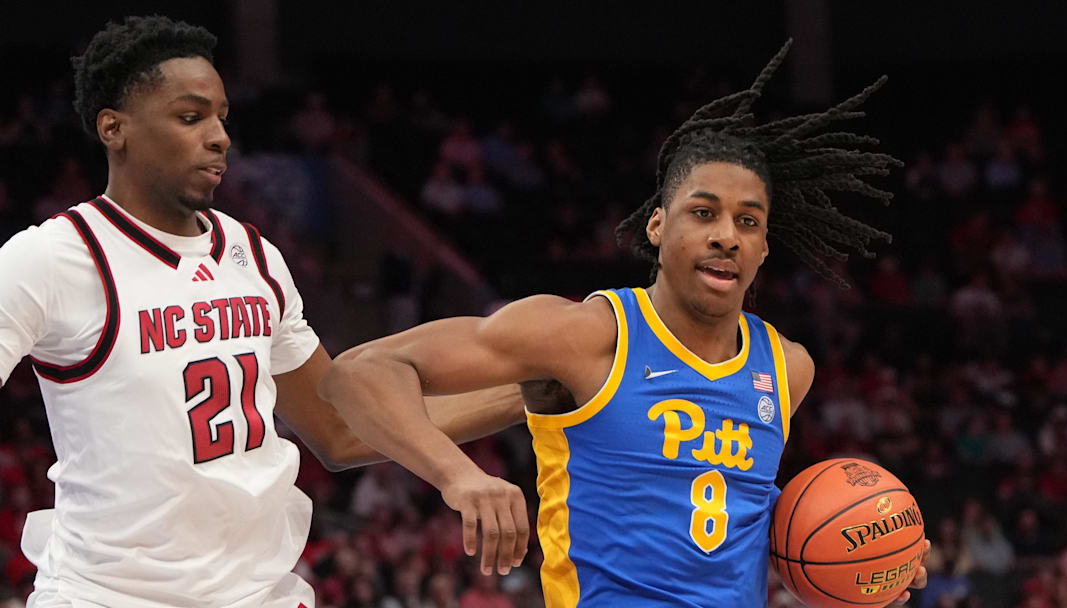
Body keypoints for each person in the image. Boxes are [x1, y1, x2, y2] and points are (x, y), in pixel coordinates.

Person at [320, 42, 929, 607]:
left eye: (748, 221)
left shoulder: (787, 367)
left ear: (765, 246)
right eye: (703, 212)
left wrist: (869, 560)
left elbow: (727, 524)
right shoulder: (586, 336)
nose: (726, 235)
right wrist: (459, 476)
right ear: (657, 226)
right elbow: (359, 372)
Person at [0, 16, 528, 607]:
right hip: (107, 595)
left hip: (258, 593)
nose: (220, 137)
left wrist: (528, 398)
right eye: (191, 117)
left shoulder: (253, 254)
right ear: (113, 128)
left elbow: (340, 428)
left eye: (222, 117)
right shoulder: (52, 257)